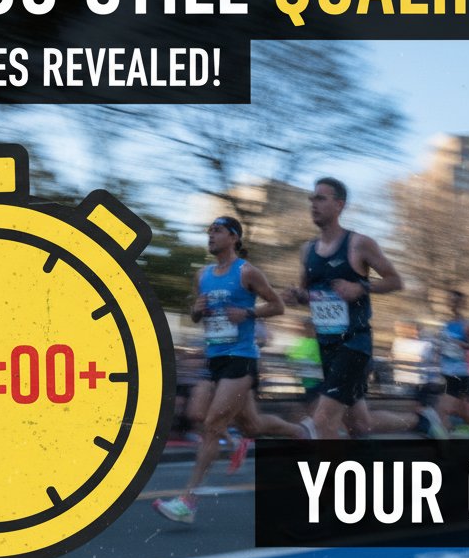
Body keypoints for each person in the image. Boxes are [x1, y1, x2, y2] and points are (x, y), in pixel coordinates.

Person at [153, 217, 310, 524]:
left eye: (218, 231)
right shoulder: (202, 275)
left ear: (234, 238)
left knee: (213, 425)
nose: (211, 236)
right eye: (209, 231)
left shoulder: (246, 272)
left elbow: (277, 306)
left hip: (241, 357)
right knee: (245, 424)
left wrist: (248, 312)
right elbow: (196, 314)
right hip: (214, 358)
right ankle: (300, 432)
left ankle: (188, 502)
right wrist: (196, 310)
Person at [285, 178, 442, 439]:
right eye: (312, 199)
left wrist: (361, 287)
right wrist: (296, 296)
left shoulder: (358, 244)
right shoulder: (307, 250)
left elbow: (395, 281)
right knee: (360, 425)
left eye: (321, 198)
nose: (313, 204)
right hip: (327, 346)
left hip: (354, 345)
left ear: (339, 205)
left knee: (323, 422)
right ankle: (420, 421)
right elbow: (308, 294)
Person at [437, 291, 469, 439]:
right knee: (463, 412)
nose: (453, 304)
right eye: (451, 301)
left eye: (456, 301)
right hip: (448, 372)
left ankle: (444, 444)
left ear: (463, 304)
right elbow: (443, 345)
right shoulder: (446, 324)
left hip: (462, 374)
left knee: (442, 409)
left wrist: (462, 344)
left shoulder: (468, 325)